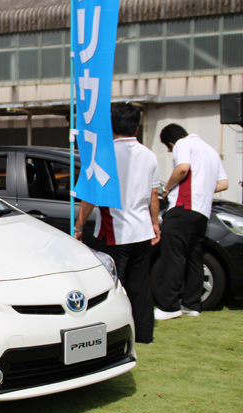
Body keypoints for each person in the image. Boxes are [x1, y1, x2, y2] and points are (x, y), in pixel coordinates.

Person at [74, 102, 160, 344]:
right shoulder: (149, 155)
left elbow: (91, 196)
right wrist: (155, 223)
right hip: (142, 231)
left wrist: (79, 226)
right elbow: (154, 196)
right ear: (137, 127)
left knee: (110, 288)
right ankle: (144, 335)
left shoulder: (103, 154)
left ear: (111, 125)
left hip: (115, 233)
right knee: (140, 286)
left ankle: (113, 336)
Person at [154, 124, 229, 320]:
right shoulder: (211, 151)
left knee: (174, 256)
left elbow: (183, 168)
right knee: (194, 256)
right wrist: (202, 188)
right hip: (202, 211)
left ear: (171, 143)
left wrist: (167, 189)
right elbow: (224, 183)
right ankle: (192, 304)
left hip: (183, 207)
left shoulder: (182, 144)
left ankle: (169, 306)